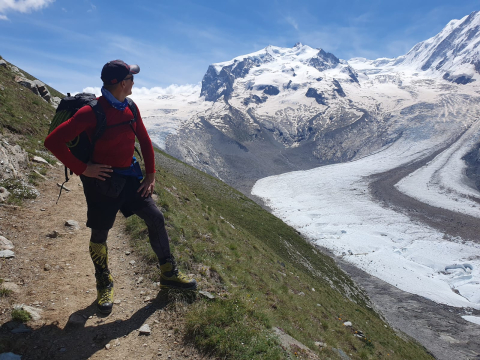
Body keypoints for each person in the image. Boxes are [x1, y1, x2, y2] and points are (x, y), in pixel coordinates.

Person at [44, 60, 196, 314]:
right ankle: (103, 281)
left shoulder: (130, 107)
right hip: (101, 183)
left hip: (130, 177)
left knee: (155, 218)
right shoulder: (91, 112)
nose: (134, 82)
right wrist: (83, 169)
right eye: (131, 78)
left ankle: (168, 274)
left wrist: (150, 174)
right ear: (121, 83)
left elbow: (145, 140)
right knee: (100, 234)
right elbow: (52, 141)